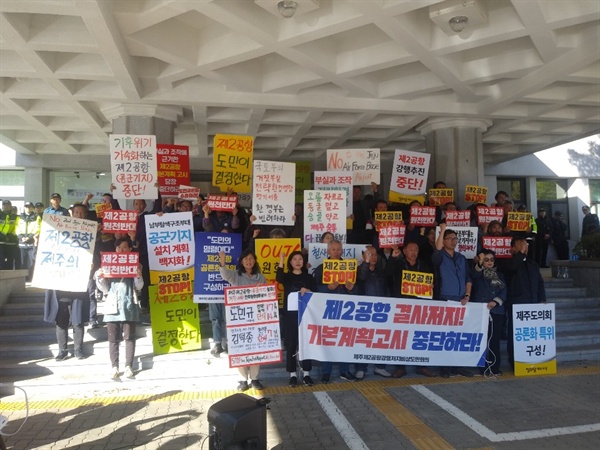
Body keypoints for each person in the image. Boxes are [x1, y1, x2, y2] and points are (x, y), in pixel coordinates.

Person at [43, 203, 92, 361]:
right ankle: (62, 350)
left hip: (78, 285)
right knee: (61, 320)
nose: (78, 215)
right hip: (61, 283)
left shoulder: (90, 233)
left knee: (78, 320)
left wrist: (93, 264)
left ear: (85, 215)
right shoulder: (57, 231)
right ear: (71, 214)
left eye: (81, 213)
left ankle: (78, 349)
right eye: (76, 212)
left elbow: (96, 255)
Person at [95, 237, 144, 380]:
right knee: (113, 339)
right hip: (112, 305)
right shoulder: (108, 265)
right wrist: (100, 277)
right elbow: (104, 289)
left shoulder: (136, 265)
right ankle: (114, 367)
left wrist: (138, 276)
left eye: (124, 248)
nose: (121, 250)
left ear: (130, 249)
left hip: (129, 305)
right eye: (118, 248)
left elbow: (139, 287)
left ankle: (128, 366)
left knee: (129, 337)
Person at [219, 249, 267, 392]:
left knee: (255, 349)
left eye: (251, 258)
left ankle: (255, 378)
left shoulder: (260, 277)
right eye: (245, 258)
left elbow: (265, 296)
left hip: (256, 319)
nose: (248, 261)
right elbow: (224, 273)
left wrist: (261, 290)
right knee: (240, 349)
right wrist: (222, 259)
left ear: (255, 260)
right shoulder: (236, 275)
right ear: (241, 261)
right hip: (238, 319)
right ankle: (242, 379)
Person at [387, 241, 437, 378]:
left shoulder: (423, 265)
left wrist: (430, 286)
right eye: (411, 250)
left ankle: (421, 366)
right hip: (402, 305)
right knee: (401, 336)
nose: (414, 252)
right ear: (404, 251)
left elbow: (431, 281)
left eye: (416, 249)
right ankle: (400, 367)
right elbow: (388, 273)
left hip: (419, 306)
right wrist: (392, 257)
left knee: (419, 336)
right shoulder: (399, 264)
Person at [312, 240, 357, 382]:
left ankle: (345, 371)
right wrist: (327, 288)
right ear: (328, 251)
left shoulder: (349, 267)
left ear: (342, 251)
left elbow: (357, 290)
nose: (336, 251)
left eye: (339, 249)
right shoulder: (321, 268)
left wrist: (351, 289)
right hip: (328, 308)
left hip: (345, 308)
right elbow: (315, 288)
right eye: (333, 249)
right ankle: (326, 372)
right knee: (328, 340)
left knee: (345, 340)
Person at [432, 223, 473, 378]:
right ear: (443, 240)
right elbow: (436, 249)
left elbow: (468, 278)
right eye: (449, 239)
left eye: (454, 238)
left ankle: (457, 366)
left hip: (460, 300)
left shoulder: (461, 258)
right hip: (444, 299)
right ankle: (445, 368)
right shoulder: (440, 256)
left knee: (459, 335)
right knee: (445, 335)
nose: (452, 241)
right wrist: (442, 230)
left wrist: (467, 295)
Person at [502, 237, 546, 370]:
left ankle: (531, 359)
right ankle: (515, 361)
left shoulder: (532, 264)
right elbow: (512, 268)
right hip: (517, 303)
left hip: (532, 303)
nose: (524, 247)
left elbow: (539, 283)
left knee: (531, 334)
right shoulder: (508, 263)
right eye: (520, 245)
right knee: (515, 333)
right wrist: (520, 253)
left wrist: (542, 299)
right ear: (512, 248)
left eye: (525, 245)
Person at [276, 251, 316, 387]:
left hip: (306, 315)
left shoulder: (309, 277)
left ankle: (306, 374)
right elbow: (279, 277)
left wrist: (308, 290)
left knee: (306, 344)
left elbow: (315, 293)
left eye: (300, 259)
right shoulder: (287, 277)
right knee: (291, 344)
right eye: (294, 259)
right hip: (290, 316)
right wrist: (281, 259)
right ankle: (292, 374)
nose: (298, 261)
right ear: (290, 262)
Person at [354, 245, 392, 380]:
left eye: (375, 255)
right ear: (363, 256)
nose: (373, 257)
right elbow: (362, 277)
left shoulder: (381, 271)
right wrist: (365, 264)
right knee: (363, 340)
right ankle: (360, 368)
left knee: (380, 339)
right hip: (363, 311)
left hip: (380, 310)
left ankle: (380, 367)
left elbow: (386, 289)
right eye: (370, 254)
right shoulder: (358, 270)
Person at [471, 249, 507, 376]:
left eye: (492, 259)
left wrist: (496, 302)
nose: (490, 262)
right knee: (482, 340)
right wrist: (479, 263)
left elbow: (504, 291)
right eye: (486, 260)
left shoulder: (499, 275)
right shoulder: (478, 274)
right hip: (481, 311)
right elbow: (474, 275)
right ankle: (483, 368)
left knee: (494, 340)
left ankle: (494, 368)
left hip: (496, 311)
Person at [17, 201, 40, 281]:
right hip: (22, 243)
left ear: (33, 208)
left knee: (31, 262)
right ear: (24, 207)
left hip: (31, 243)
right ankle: (23, 279)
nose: (28, 208)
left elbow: (38, 228)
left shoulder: (36, 217)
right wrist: (21, 237)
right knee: (22, 262)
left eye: (30, 206)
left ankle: (30, 278)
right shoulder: (19, 217)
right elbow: (17, 228)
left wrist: (29, 237)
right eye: (26, 206)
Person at [0, 200, 20, 269]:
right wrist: (2, 236)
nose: (6, 206)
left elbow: (17, 228)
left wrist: (9, 236)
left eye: (8, 205)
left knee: (10, 261)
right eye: (4, 205)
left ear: (11, 206)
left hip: (11, 242)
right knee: (1, 260)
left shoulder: (15, 217)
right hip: (1, 242)